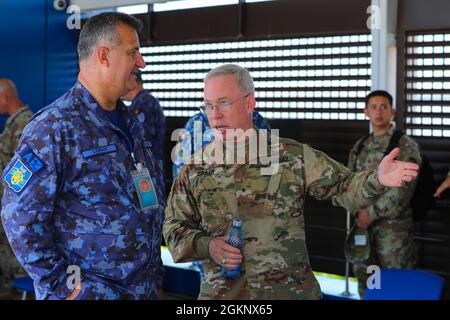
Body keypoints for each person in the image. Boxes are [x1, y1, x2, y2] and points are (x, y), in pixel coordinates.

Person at [162, 64, 419, 300]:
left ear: (249, 103)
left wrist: (377, 179)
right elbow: (174, 229)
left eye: (224, 103)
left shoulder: (291, 156)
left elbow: (344, 187)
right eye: (208, 105)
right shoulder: (195, 168)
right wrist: (209, 246)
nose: (214, 115)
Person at [1, 12, 165, 300]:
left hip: (141, 290)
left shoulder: (130, 123)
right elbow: (19, 219)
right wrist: (67, 288)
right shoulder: (53, 127)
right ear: (104, 55)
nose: (141, 63)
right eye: (133, 53)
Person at [347, 90, 421, 298]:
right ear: (366, 112)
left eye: (384, 107)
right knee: (371, 280)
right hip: (363, 230)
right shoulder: (360, 146)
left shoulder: (403, 145)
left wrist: (370, 214)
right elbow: (350, 183)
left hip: (393, 233)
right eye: (373, 107)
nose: (378, 112)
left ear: (393, 111)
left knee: (397, 282)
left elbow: (402, 191)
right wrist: (358, 211)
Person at [0, 79, 32, 292]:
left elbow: (25, 170)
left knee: (16, 257)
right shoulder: (14, 123)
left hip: (16, 207)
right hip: (8, 204)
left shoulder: (24, 124)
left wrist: (11, 201)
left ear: (3, 97)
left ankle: (20, 290)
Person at [172, 111, 270, 179]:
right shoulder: (196, 122)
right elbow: (181, 168)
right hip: (203, 195)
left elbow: (266, 165)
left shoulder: (254, 119)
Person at [122, 70, 166, 175]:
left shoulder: (141, 104)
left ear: (133, 82)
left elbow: (140, 138)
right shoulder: (148, 100)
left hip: (148, 167)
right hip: (153, 164)